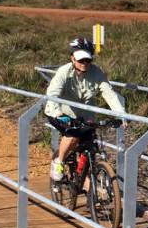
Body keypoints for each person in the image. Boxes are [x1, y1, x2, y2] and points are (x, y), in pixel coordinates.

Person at [45, 37, 126, 181]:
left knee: (88, 150)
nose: (84, 64)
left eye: (88, 60)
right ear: (72, 58)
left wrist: (121, 114)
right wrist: (58, 113)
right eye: (81, 60)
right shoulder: (64, 72)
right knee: (73, 136)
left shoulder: (96, 73)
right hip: (61, 112)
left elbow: (109, 94)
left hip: (85, 116)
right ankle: (59, 162)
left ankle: (88, 189)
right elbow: (52, 94)